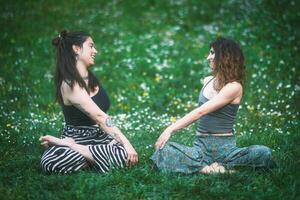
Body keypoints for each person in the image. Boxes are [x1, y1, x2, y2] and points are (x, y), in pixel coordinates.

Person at [151, 37, 275, 174]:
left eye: (212, 53)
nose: (208, 57)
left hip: (226, 151)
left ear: (225, 57)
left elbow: (200, 112)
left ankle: (207, 167)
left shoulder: (234, 87)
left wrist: (169, 129)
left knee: (264, 153)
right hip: (200, 149)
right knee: (163, 149)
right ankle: (210, 170)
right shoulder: (207, 81)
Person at [40, 30, 138, 174]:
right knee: (52, 163)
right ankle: (73, 147)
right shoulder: (70, 84)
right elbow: (99, 117)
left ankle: (78, 151)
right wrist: (127, 144)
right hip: (78, 138)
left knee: (127, 157)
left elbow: (102, 120)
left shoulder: (90, 78)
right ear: (76, 49)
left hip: (100, 137)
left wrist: (121, 142)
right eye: (91, 46)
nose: (95, 51)